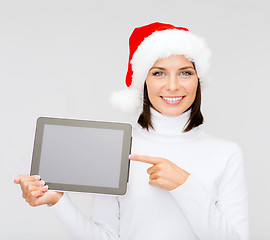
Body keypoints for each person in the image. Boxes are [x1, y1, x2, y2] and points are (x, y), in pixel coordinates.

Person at [14, 22, 249, 240]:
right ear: (142, 81)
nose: (173, 85)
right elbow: (106, 236)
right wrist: (57, 201)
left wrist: (184, 186)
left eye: (185, 72)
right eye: (158, 73)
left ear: (198, 79)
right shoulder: (117, 149)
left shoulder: (226, 154)